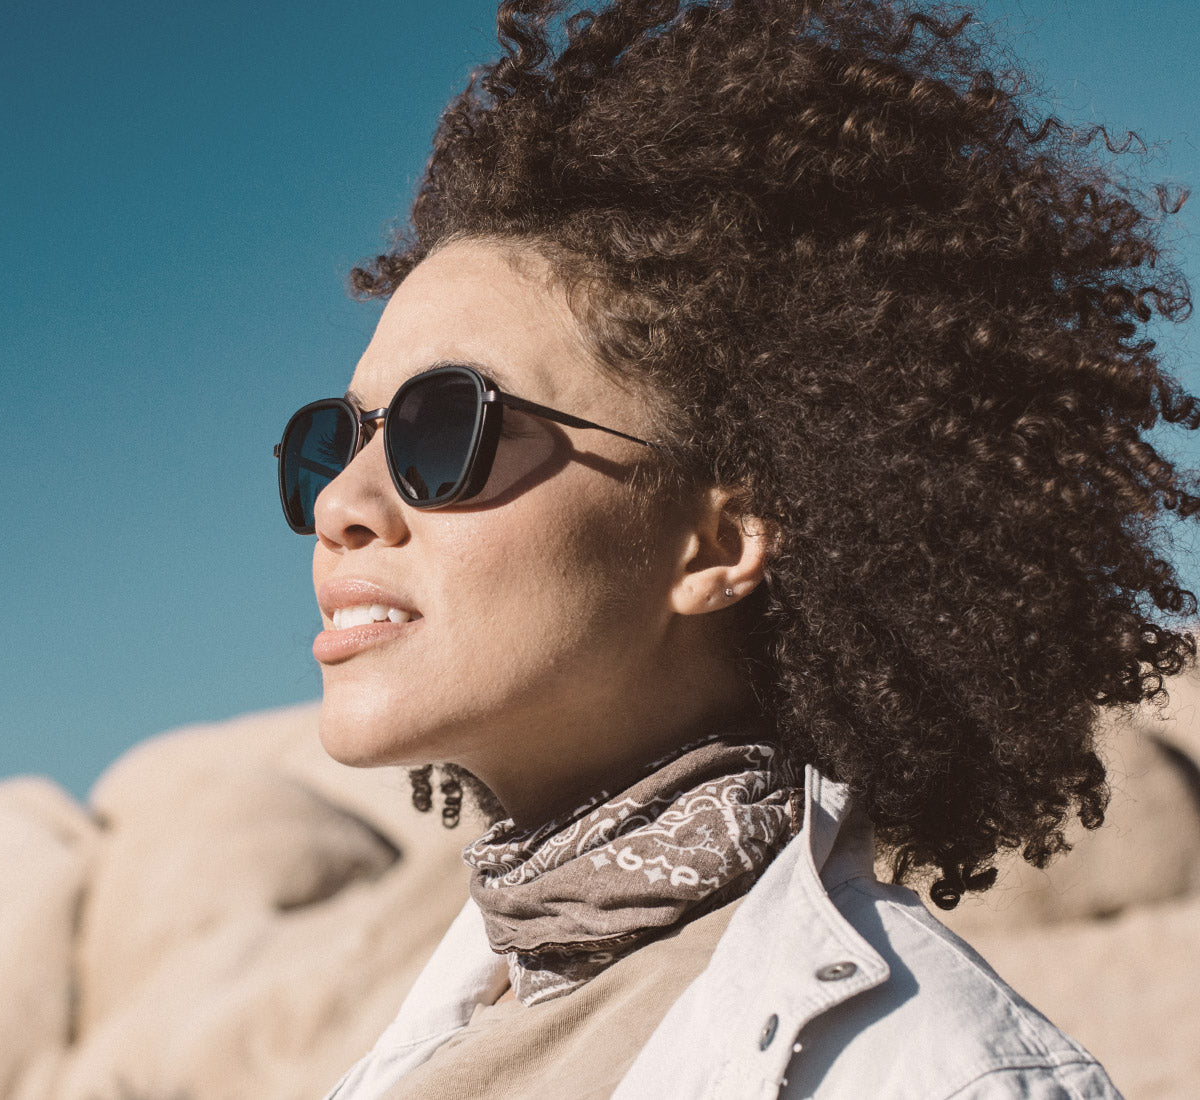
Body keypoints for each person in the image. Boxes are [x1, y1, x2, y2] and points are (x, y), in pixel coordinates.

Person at [273, 1, 1195, 1096]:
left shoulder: (937, 1075)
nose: (345, 499)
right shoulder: (443, 1033)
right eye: (334, 440)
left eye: (444, 428)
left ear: (716, 542)